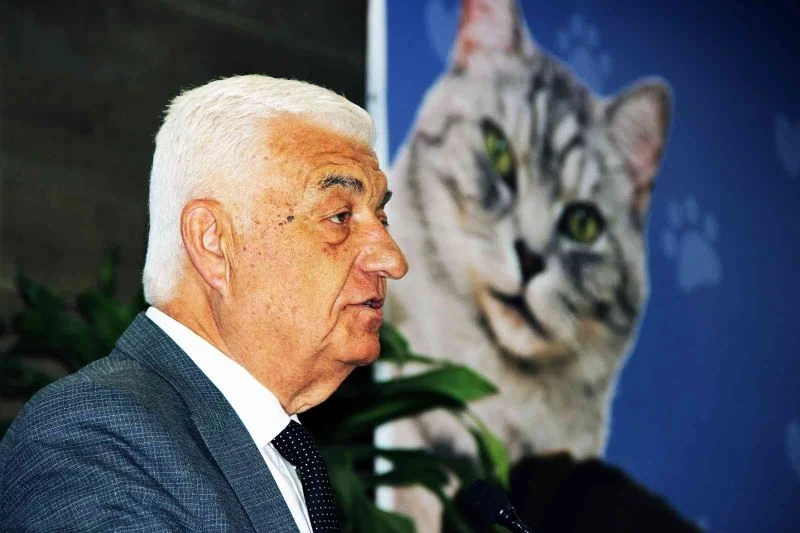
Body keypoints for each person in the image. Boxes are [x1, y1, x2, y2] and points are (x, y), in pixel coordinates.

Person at [0, 75, 408, 532]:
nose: (392, 259)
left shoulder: (279, 452)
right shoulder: (95, 435)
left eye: (382, 219)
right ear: (213, 242)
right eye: (339, 217)